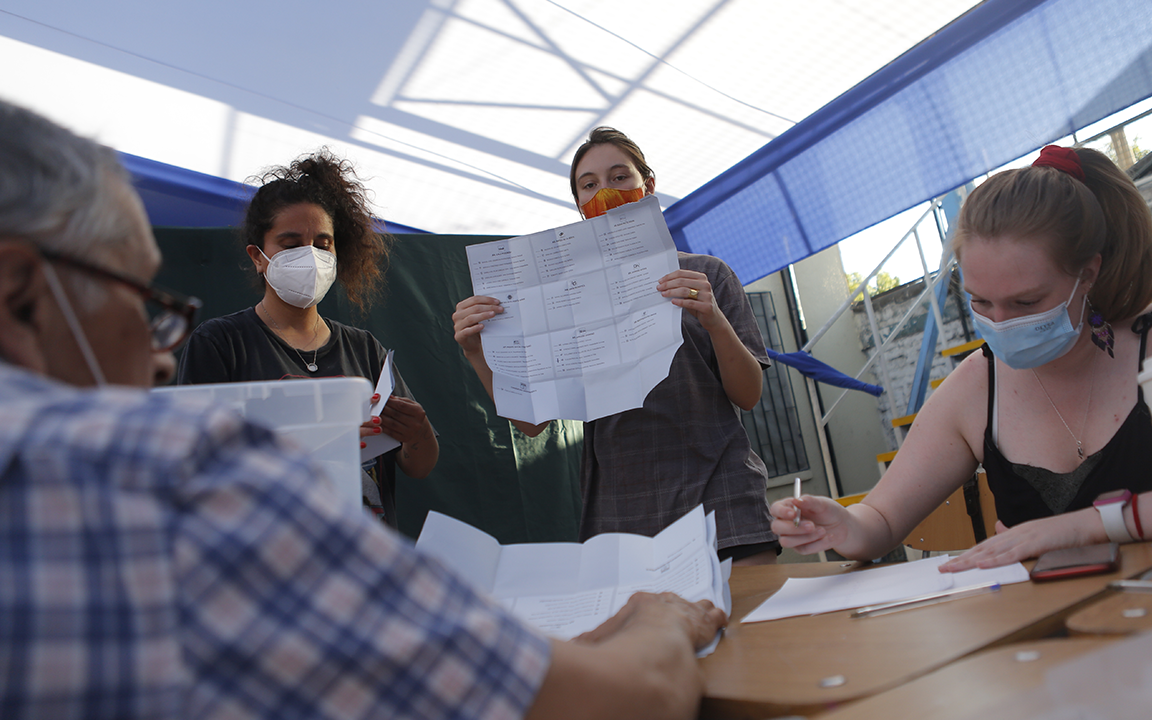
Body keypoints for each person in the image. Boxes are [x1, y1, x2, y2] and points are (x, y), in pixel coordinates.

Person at [0, 99, 726, 720]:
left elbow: (428, 473)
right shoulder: (187, 469)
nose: (160, 352)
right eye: (140, 297)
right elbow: (614, 698)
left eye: (324, 242)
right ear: (19, 290)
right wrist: (658, 621)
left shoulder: (359, 347)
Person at [771, 145, 1152, 571]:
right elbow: (881, 519)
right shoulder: (977, 385)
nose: (1000, 323)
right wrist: (843, 525)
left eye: (1026, 303)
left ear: (1088, 273)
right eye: (980, 302)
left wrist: (1080, 526)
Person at [452, 127, 777, 564]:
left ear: (649, 185)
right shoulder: (558, 298)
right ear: (580, 207)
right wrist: (477, 353)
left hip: (723, 509)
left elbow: (749, 394)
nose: (605, 192)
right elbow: (532, 425)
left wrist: (713, 318)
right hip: (620, 522)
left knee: (749, 632)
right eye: (589, 185)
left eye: (620, 177)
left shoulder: (707, 276)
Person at [177, 150, 437, 530]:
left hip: (364, 557)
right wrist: (315, 436)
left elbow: (419, 465)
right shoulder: (220, 343)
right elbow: (194, 464)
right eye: (290, 243)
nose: (310, 255)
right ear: (258, 256)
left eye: (323, 242)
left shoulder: (364, 348)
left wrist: (418, 431)